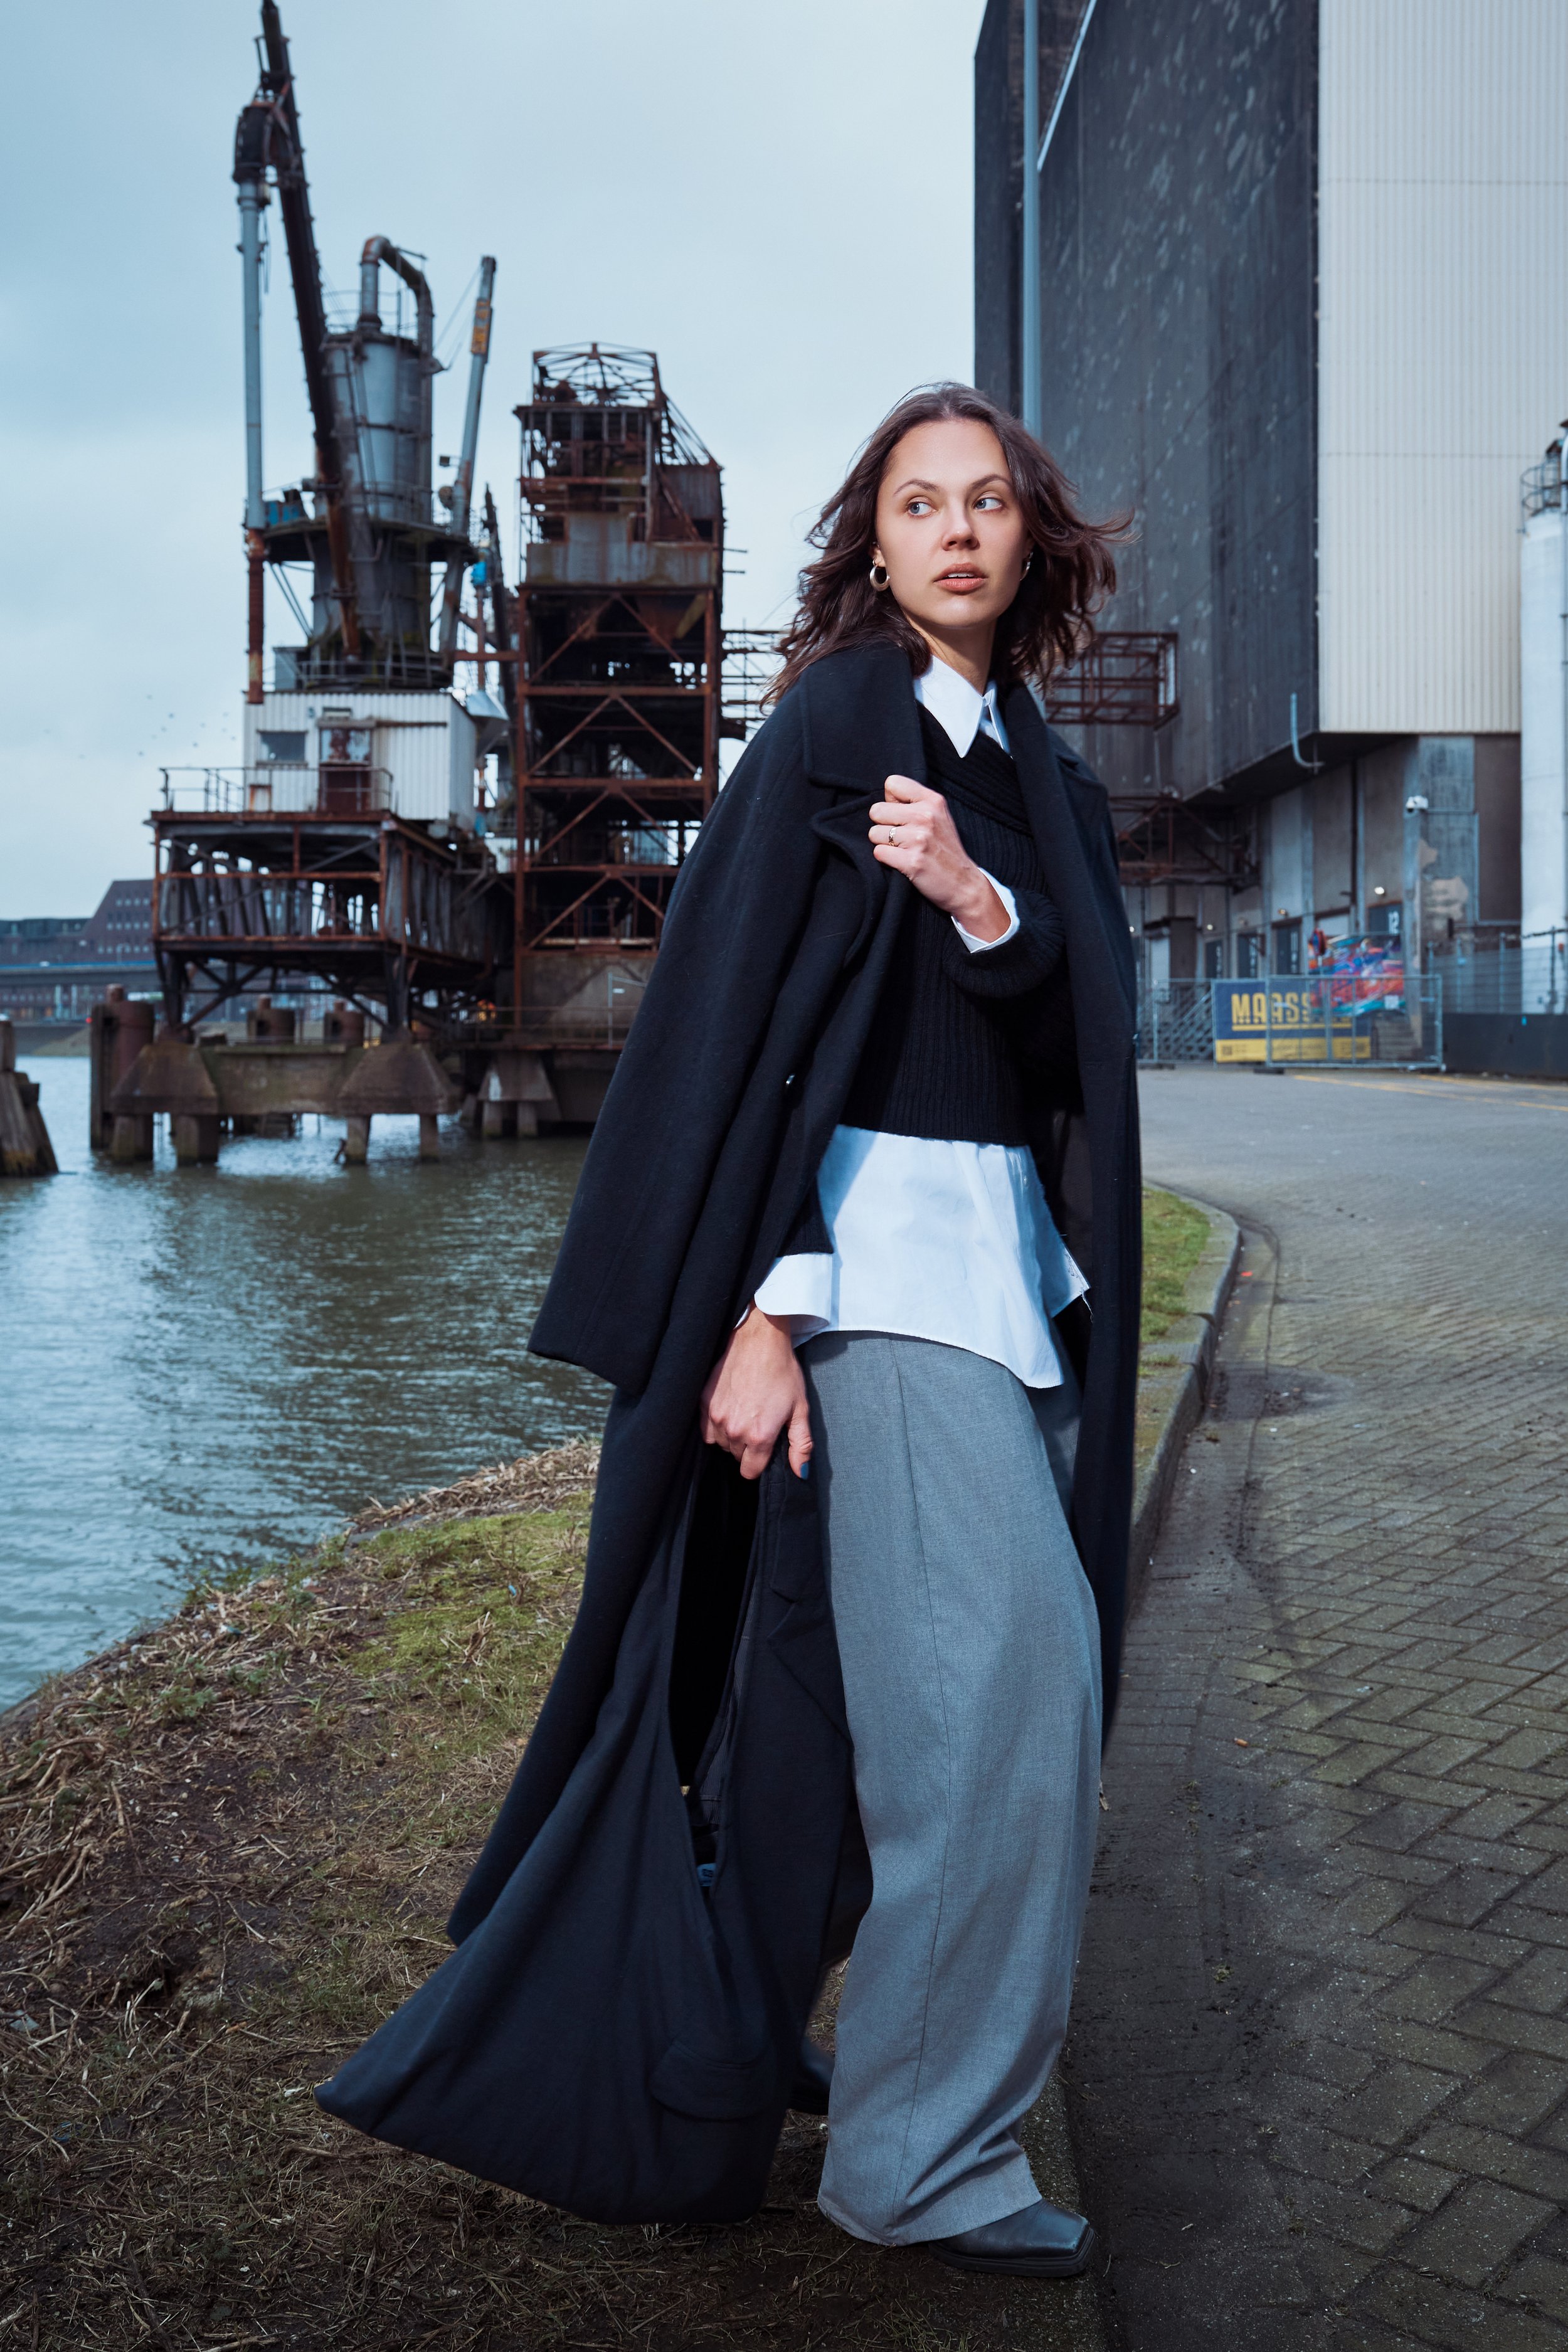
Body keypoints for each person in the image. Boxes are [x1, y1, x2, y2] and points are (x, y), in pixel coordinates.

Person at [317, 384, 1140, 2288]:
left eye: (988, 502)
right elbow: (734, 1020)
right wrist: (759, 1304)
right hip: (872, 1286)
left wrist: (980, 899)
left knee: (828, 1728)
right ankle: (924, 2161)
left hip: (1001, 1278)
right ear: (872, 541)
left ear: (1030, 540)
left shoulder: (1028, 763)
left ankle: (747, 2064)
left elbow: (1061, 1051)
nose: (954, 531)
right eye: (917, 503)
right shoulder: (842, 722)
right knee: (1016, 1713)